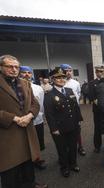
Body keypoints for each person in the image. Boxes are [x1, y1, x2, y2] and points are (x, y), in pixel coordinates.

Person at [0, 55, 47, 188]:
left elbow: (35, 104)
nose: (14, 69)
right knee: (10, 174)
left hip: (27, 132)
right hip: (7, 135)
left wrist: (30, 116)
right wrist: (13, 118)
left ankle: (30, 184)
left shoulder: (25, 83)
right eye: (9, 66)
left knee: (28, 168)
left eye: (16, 67)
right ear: (1, 67)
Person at [44, 67, 83, 177]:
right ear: (53, 79)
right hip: (59, 128)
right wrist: (53, 128)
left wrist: (79, 120)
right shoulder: (49, 95)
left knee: (73, 146)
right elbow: (49, 114)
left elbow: (75, 107)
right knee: (62, 148)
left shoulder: (69, 91)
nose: (61, 79)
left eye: (63, 77)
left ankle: (73, 163)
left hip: (73, 124)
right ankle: (64, 167)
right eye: (58, 78)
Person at [20, 66, 47, 170]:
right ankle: (27, 163)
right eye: (24, 72)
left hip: (37, 120)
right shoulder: (17, 87)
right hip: (23, 122)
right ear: (19, 73)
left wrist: (42, 117)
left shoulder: (38, 88)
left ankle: (37, 159)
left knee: (38, 142)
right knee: (25, 144)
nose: (27, 74)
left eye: (29, 73)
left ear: (32, 74)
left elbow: (41, 105)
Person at [60, 64, 86, 156]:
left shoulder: (76, 83)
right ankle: (68, 148)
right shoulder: (59, 82)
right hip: (63, 112)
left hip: (75, 110)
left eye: (70, 70)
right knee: (65, 131)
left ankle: (80, 146)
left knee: (77, 130)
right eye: (65, 71)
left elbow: (79, 95)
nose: (68, 73)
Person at [88, 65, 104, 153]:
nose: (100, 73)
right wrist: (97, 101)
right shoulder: (92, 83)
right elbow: (91, 96)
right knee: (97, 128)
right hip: (97, 109)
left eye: (102, 71)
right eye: (98, 71)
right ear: (96, 72)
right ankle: (97, 146)